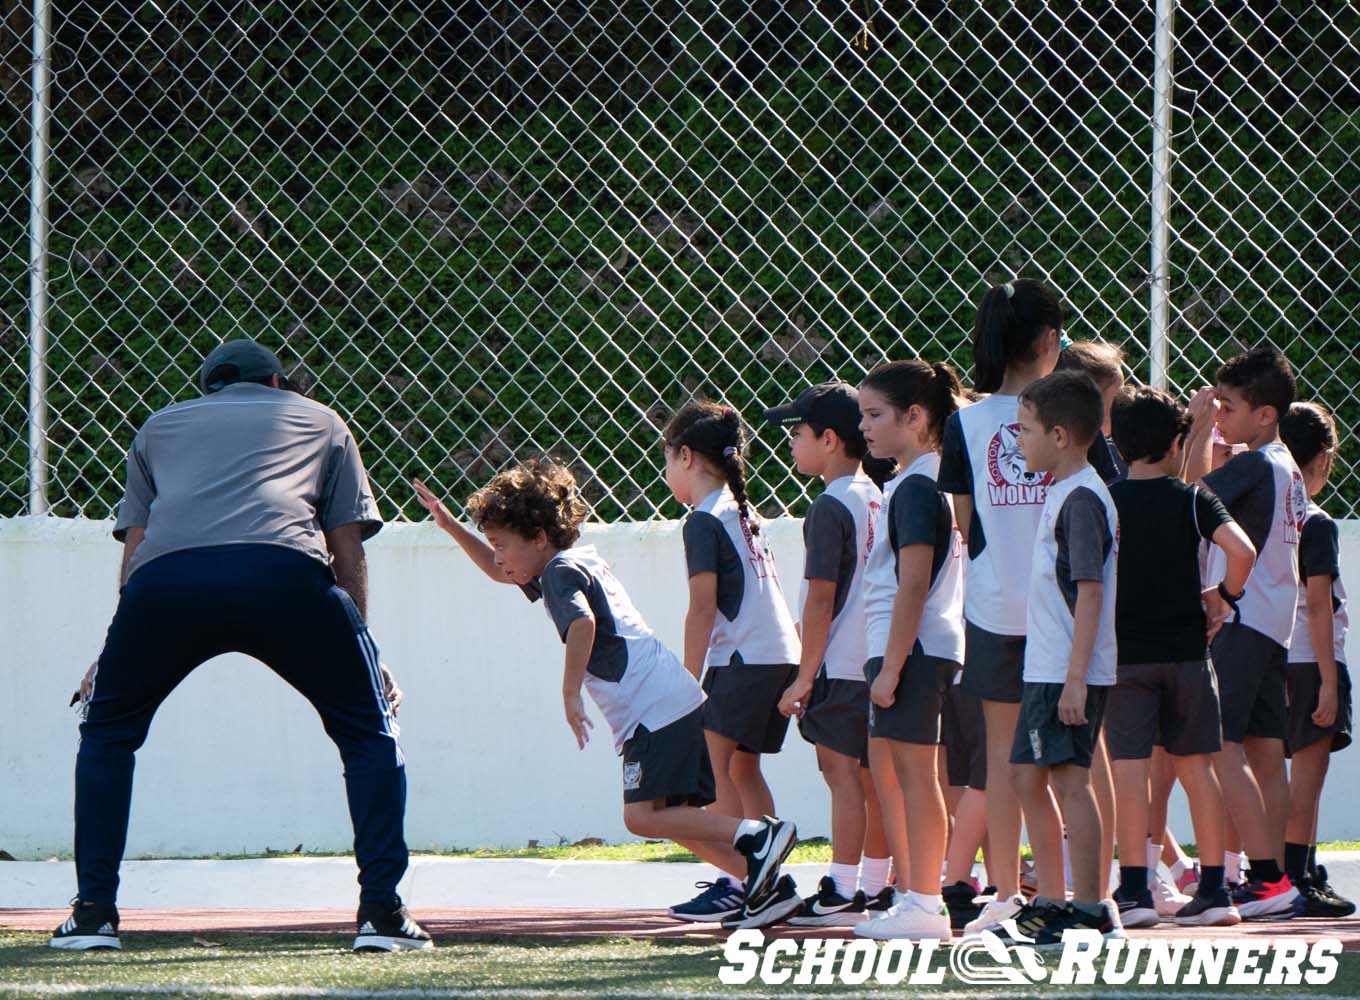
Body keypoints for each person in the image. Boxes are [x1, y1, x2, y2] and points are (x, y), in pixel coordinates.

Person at [52, 340, 430, 953]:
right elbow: (346, 547)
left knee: (107, 733)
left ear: (209, 389)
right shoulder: (323, 421)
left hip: (165, 586)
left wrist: (113, 648)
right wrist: (362, 644)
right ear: (279, 382)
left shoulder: (158, 427)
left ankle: (94, 914)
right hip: (283, 575)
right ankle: (381, 916)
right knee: (368, 731)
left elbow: (137, 546)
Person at [411, 462, 800, 929]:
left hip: (652, 709)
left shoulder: (558, 574)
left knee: (640, 817)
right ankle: (765, 883)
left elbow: (582, 624)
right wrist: (451, 527)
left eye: (500, 546)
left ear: (537, 537)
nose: (497, 558)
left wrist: (569, 692)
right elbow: (504, 574)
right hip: (669, 702)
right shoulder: (572, 561)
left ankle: (754, 836)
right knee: (669, 815)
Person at [936, 278, 1065, 935]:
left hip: (993, 608)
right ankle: (1077, 896)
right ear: (1049, 342)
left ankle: (1008, 895)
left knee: (1003, 759)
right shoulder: (1071, 414)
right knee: (1072, 765)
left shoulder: (964, 422)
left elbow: (963, 523)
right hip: (1066, 613)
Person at [1105, 387, 1254, 928]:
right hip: (1189, 654)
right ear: (1176, 444)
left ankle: (1136, 893)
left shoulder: (1106, 500)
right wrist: (1224, 597)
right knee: (1197, 771)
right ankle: (1215, 891)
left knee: (1129, 775)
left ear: (1118, 445)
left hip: (1124, 657)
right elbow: (1242, 552)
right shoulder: (1192, 499)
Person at [660, 402, 803, 923]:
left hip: (742, 658)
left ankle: (736, 882)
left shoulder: (702, 520)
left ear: (686, 456)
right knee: (743, 766)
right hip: (777, 654)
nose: (667, 474)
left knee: (715, 765)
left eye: (668, 461)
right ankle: (770, 881)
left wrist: (684, 683)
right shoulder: (742, 510)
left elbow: (702, 607)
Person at [762, 383, 899, 925]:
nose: (791, 445)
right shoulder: (876, 495)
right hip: (875, 659)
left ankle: (843, 889)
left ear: (829, 439)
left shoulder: (829, 505)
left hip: (841, 665)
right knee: (873, 779)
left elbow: (822, 598)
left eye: (797, 434)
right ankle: (873, 883)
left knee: (842, 775)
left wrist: (804, 675)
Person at [1001, 369, 1124, 945]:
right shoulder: (1064, 489)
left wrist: (1076, 679)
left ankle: (1093, 907)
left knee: (1071, 782)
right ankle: (1052, 900)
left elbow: (1091, 592)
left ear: (1061, 435)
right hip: (1049, 667)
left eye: (1026, 430)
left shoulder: (1081, 498)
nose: (1018, 440)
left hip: (1065, 672)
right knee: (1028, 777)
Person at [1182, 345, 1305, 919]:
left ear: (1266, 415)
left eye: (1228, 407)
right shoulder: (1286, 466)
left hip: (1242, 618)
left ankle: (1264, 877)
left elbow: (1191, 500)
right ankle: (1277, 877)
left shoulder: (1256, 464)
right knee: (1263, 752)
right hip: (1272, 624)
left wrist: (1198, 433)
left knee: (1219, 746)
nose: (1220, 415)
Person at [852, 360, 968, 942]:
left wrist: (891, 666)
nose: (864, 427)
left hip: (915, 651)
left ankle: (925, 901)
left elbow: (914, 584)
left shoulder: (921, 485)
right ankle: (915, 895)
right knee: (906, 774)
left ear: (916, 417)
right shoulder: (914, 482)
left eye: (875, 415)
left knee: (917, 777)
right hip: (911, 649)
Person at [1278, 402, 1355, 918]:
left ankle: (1281, 871)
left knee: (1269, 775)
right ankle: (1296, 876)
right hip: (1311, 660)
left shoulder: (1265, 512)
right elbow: (1320, 603)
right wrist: (1330, 678)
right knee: (1306, 782)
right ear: (1324, 460)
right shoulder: (1316, 521)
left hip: (1271, 654)